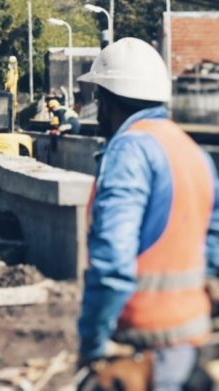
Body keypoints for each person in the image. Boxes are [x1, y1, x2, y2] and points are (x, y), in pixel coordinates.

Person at [77, 37, 219, 389]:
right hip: (188, 341)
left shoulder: (129, 151)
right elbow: (213, 249)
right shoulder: (191, 151)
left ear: (106, 100)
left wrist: (92, 341)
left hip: (141, 343)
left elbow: (112, 262)